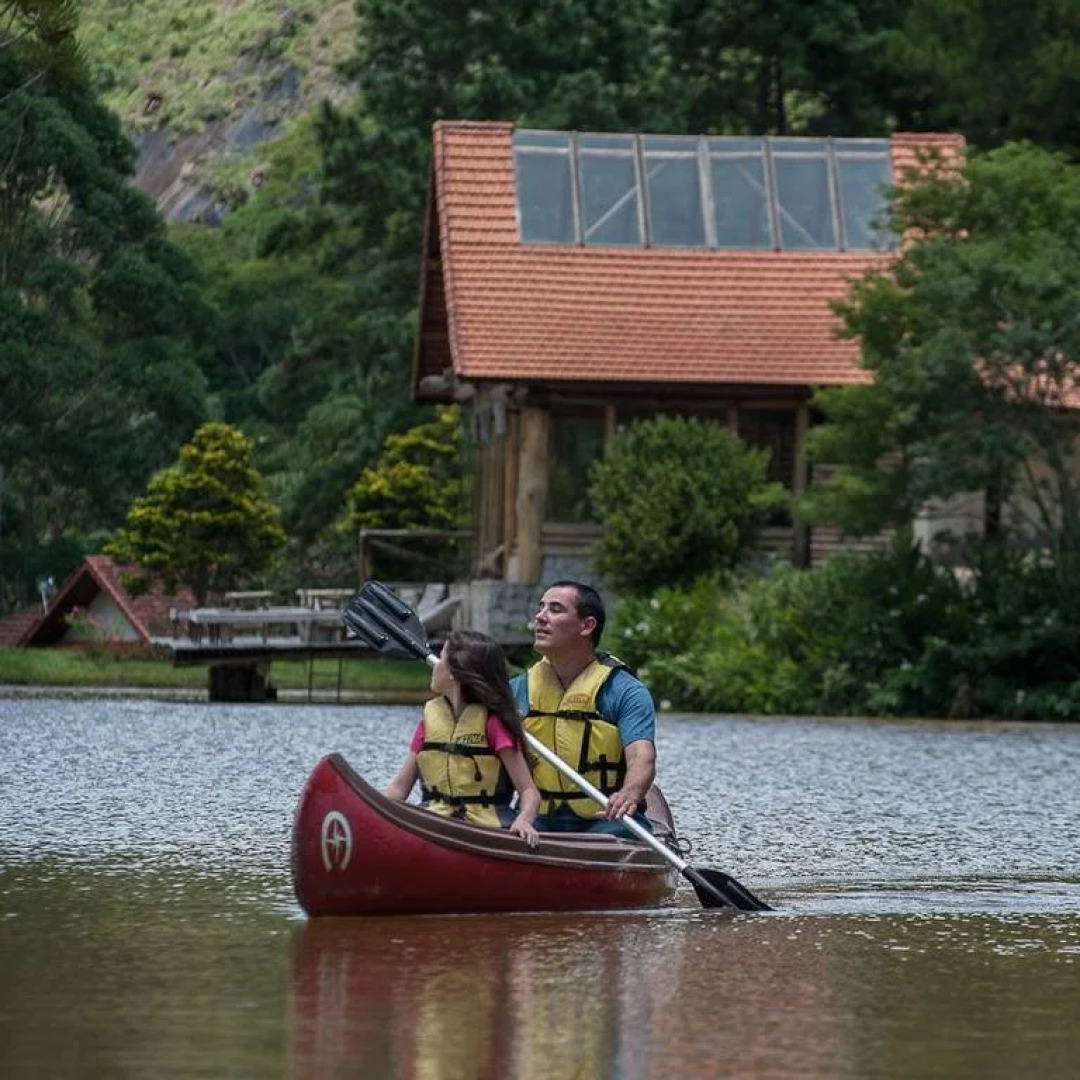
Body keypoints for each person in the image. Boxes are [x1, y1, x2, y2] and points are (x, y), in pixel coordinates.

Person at [510, 580, 656, 837]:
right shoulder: (516, 691)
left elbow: (641, 757)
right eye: (541, 607)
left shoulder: (625, 690)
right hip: (536, 817)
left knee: (613, 837)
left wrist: (629, 794)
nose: (540, 617)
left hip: (605, 818)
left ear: (587, 626)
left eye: (555, 609)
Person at [384, 629, 541, 847]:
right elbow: (399, 789)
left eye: (442, 656)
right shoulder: (430, 721)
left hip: (486, 831)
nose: (435, 663)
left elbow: (528, 790)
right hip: (433, 822)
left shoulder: (493, 724)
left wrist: (524, 820)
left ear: (453, 674)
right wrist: (366, 808)